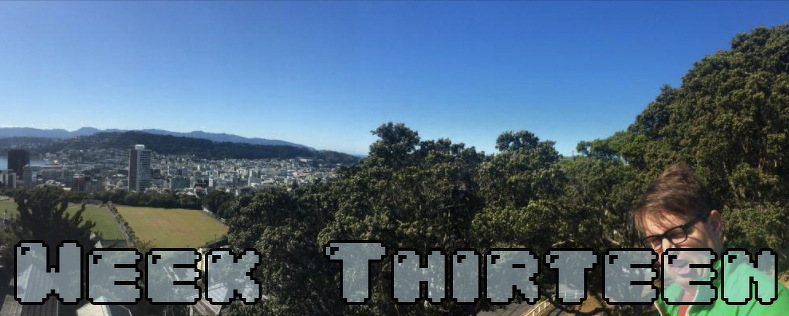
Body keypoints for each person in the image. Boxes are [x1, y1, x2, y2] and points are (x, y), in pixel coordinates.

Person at [632, 163, 789, 315]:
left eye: (677, 234)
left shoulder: (763, 301)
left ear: (714, 225)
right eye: (656, 241)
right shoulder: (670, 300)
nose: (667, 251)